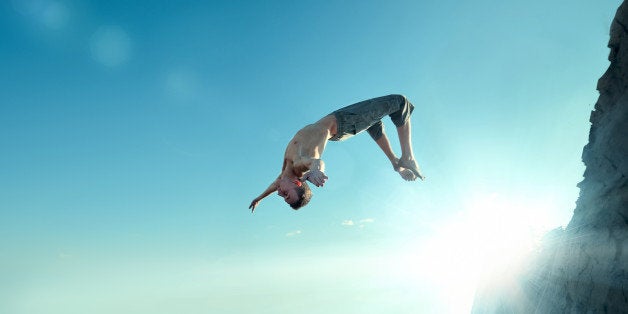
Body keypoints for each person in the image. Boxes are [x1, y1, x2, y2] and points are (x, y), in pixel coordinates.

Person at [249, 94, 425, 212]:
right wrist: (316, 171)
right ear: (298, 182)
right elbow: (316, 163)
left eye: (282, 196)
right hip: (343, 122)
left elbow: (272, 187)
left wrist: (259, 198)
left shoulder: (283, 176)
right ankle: (407, 157)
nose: (280, 193)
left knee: (374, 124)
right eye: (286, 194)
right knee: (400, 103)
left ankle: (395, 162)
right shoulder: (299, 164)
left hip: (338, 125)